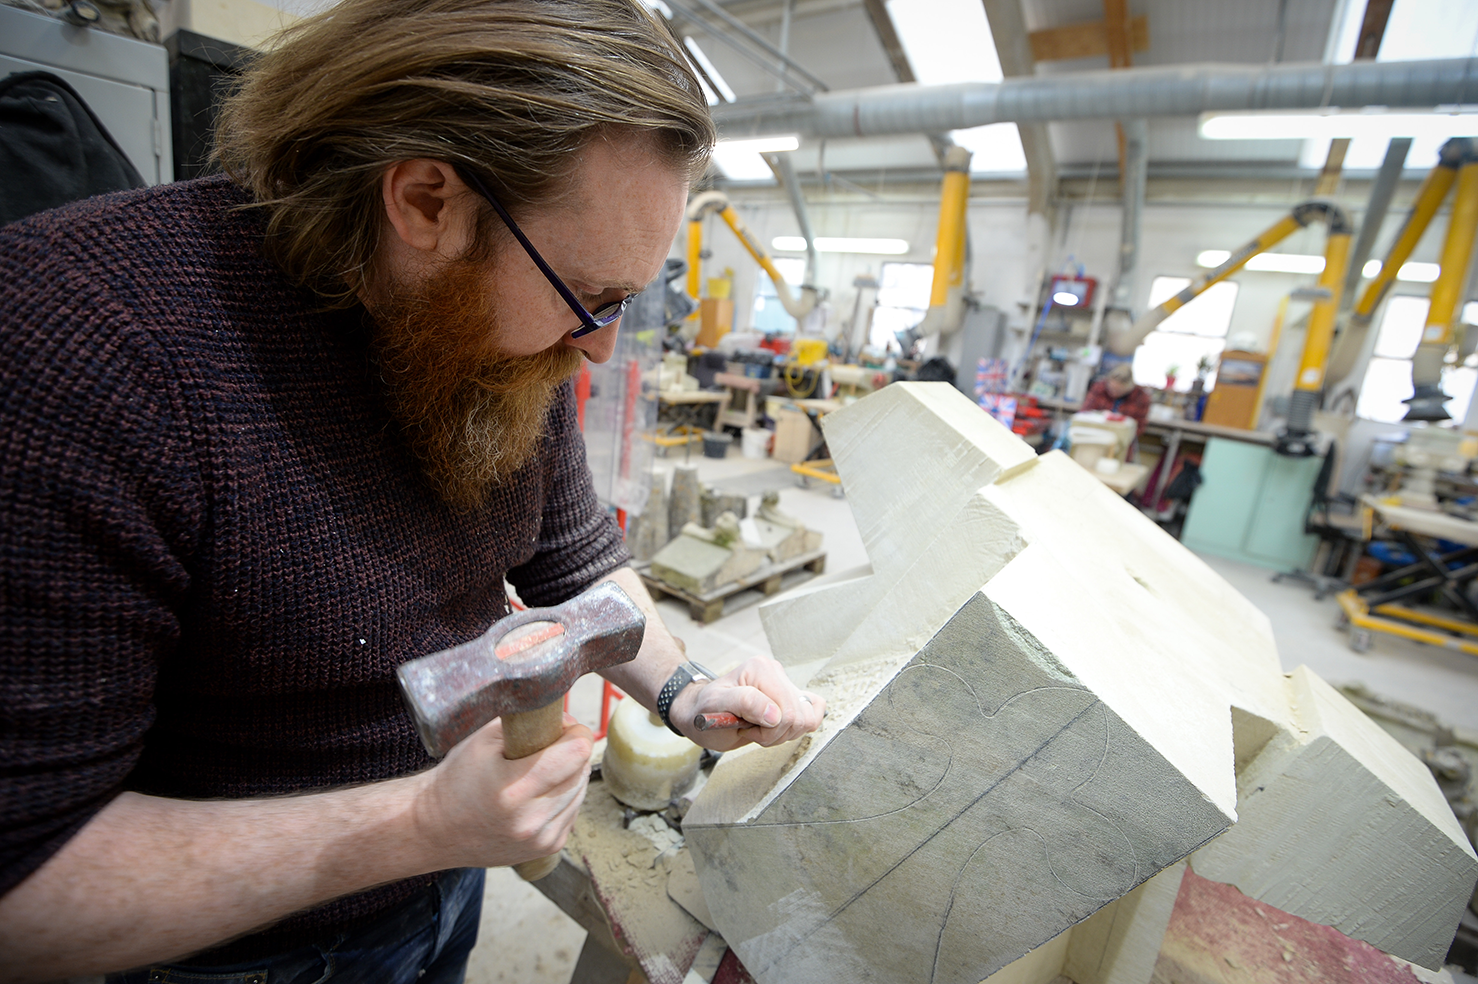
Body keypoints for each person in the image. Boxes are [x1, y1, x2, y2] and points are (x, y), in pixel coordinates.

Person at [0, 2, 826, 981]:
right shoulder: (79, 351)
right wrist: (416, 823)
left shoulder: (497, 339)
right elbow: (25, 886)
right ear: (428, 201)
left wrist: (685, 689)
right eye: (588, 297)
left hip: (442, 884)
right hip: (227, 950)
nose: (601, 345)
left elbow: (575, 566)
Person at [1081, 362, 1152, 434]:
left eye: (1118, 391)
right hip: (1094, 433)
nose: (1114, 393)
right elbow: (1084, 413)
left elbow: (1140, 426)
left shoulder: (1141, 397)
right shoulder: (1099, 388)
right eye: (1111, 389)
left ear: (1130, 387)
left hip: (1122, 438)